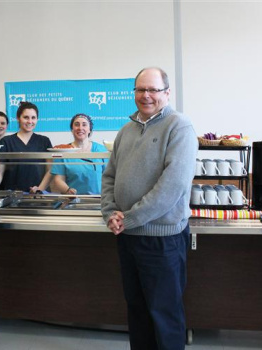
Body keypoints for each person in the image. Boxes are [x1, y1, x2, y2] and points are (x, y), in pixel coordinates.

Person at [101, 67, 197, 350]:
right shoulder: (126, 130)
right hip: (128, 236)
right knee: (138, 312)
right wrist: (109, 212)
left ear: (167, 93)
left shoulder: (179, 126)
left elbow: (173, 186)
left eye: (153, 90)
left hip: (162, 239)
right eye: (141, 90)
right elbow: (109, 176)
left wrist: (129, 218)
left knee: (164, 315)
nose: (146, 95)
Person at [0, 101, 52, 192]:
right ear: (18, 118)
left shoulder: (44, 141)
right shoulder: (7, 141)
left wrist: (39, 189)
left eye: (33, 118)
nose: (30, 121)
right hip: (12, 196)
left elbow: (50, 170)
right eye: (26, 117)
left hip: (38, 196)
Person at [51, 113, 107, 195]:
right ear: (72, 129)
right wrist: (68, 190)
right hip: (72, 202)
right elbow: (58, 179)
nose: (80, 128)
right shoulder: (63, 151)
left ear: (89, 129)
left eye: (84, 125)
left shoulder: (101, 150)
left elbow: (109, 177)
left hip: (98, 202)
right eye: (77, 124)